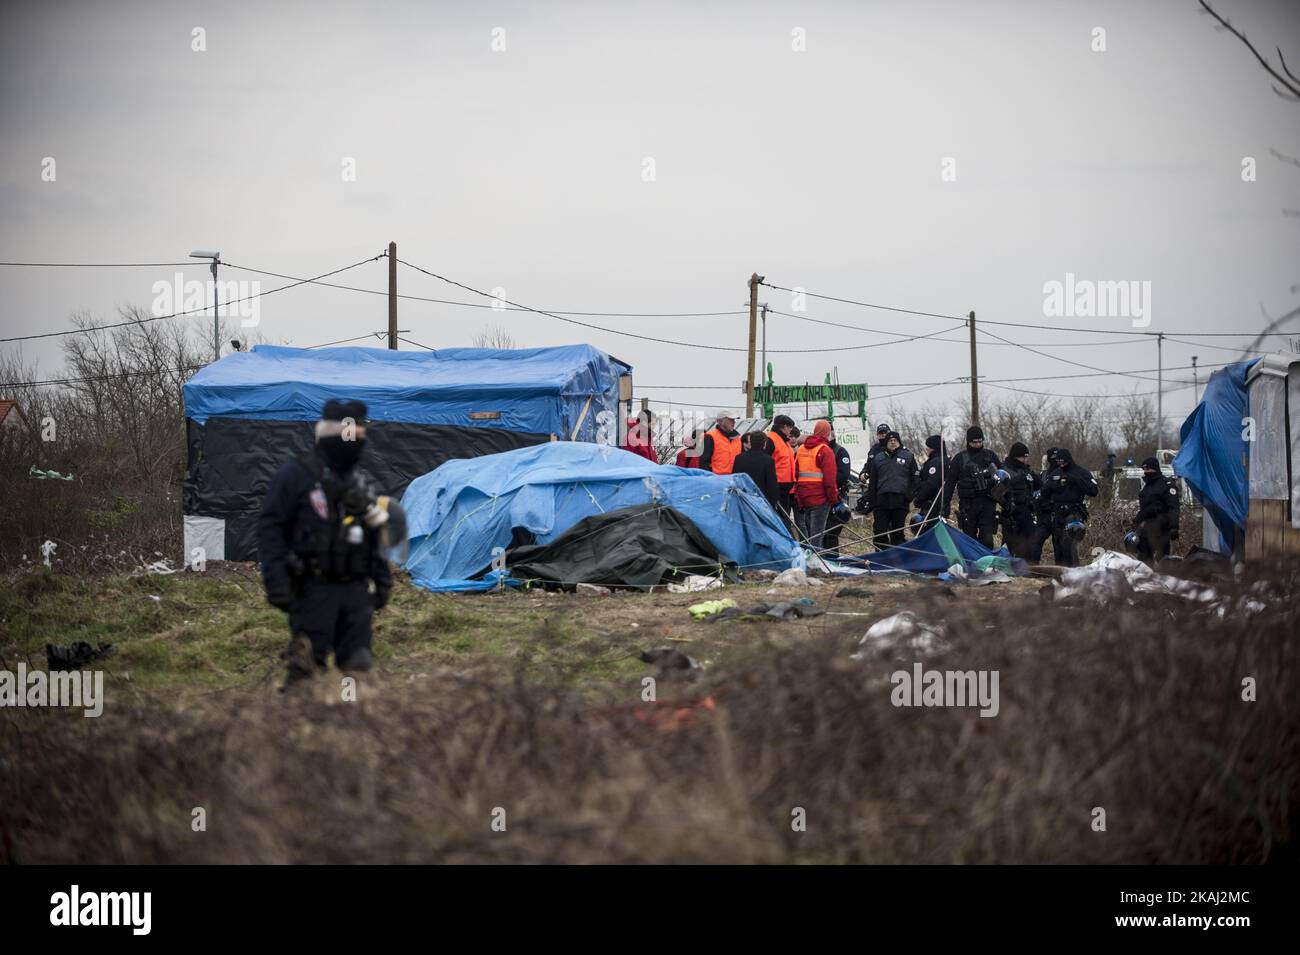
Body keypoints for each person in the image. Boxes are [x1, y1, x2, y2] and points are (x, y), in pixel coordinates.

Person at [258, 399, 396, 687]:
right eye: (350, 436)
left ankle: (349, 724)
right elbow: (271, 530)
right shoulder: (295, 476)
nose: (354, 443)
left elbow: (373, 535)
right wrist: (276, 580)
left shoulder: (359, 483)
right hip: (312, 590)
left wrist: (382, 580)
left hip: (356, 592)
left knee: (357, 670)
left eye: (359, 436)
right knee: (306, 668)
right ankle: (299, 726)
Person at [944, 426, 1003, 548]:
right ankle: (972, 564)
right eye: (974, 442)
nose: (977, 444)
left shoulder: (990, 456)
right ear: (968, 442)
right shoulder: (960, 458)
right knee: (969, 540)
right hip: (968, 505)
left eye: (980, 441)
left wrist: (1005, 500)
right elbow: (950, 483)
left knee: (987, 539)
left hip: (988, 503)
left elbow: (1003, 477)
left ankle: (986, 564)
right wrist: (945, 504)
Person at [1039, 447, 1099, 567]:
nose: (1061, 464)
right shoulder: (1055, 474)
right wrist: (1052, 486)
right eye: (1058, 462)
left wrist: (1076, 480)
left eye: (1063, 462)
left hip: (1074, 512)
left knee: (1069, 543)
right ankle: (1061, 573)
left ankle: (1073, 571)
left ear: (1068, 460)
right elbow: (1044, 493)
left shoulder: (1081, 472)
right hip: (1057, 513)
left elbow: (1094, 490)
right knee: (1058, 544)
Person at [866, 430, 917, 548]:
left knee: (897, 533)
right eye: (890, 440)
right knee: (880, 532)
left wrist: (909, 496)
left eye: (895, 440)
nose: (893, 442)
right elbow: (873, 481)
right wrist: (872, 500)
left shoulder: (908, 456)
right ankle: (881, 558)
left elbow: (915, 478)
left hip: (900, 500)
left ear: (899, 442)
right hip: (882, 500)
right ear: (886, 443)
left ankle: (898, 560)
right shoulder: (879, 458)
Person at [793, 419, 838, 551]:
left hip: (805, 498)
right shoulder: (825, 451)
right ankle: (815, 567)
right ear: (827, 433)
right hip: (821, 499)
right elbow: (830, 481)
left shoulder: (800, 449)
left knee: (808, 534)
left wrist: (799, 497)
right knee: (817, 536)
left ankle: (809, 561)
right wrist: (834, 499)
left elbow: (795, 475)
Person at [1000, 441, 1044, 560]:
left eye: (1026, 457)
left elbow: (1039, 484)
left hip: (1026, 510)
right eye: (1022, 457)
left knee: (1030, 540)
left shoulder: (1025, 469)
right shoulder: (1005, 468)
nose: (1025, 460)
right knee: (1011, 542)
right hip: (1011, 511)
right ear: (1015, 456)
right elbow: (1000, 489)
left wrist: (1030, 474)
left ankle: (1027, 566)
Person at [1134, 456, 1180, 565]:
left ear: (1154, 468)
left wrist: (1174, 527)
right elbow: (1145, 509)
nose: (1145, 472)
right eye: (1144, 469)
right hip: (1145, 530)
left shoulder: (1166, 485)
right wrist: (1136, 522)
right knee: (1144, 562)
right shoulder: (1147, 487)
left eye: (1147, 469)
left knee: (1163, 562)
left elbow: (1173, 507)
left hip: (1162, 529)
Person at [820, 421, 855, 556]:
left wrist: (827, 484)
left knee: (831, 531)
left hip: (836, 496)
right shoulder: (816, 450)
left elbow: (843, 474)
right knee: (819, 531)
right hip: (819, 496)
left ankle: (832, 557)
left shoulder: (840, 452)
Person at [911, 435, 949, 535]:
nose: (926, 449)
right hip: (942, 504)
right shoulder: (945, 460)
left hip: (933, 506)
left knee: (930, 535)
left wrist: (919, 498)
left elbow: (932, 485)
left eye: (928, 447)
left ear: (934, 448)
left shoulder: (937, 462)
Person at [733, 431, 780, 510]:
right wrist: (773, 501)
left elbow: (735, 478)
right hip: (761, 500)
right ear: (764, 443)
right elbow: (771, 484)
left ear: (751, 442)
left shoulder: (739, 458)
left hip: (744, 498)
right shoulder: (768, 460)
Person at [766, 414, 798, 516]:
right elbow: (766, 462)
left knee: (785, 516)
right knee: (780, 517)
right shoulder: (771, 440)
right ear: (784, 427)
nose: (790, 431)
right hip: (777, 485)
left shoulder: (783, 440)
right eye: (790, 428)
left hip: (784, 487)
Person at [700, 410, 741, 475]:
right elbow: (703, 461)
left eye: (734, 420)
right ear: (720, 421)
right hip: (717, 479)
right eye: (730, 419)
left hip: (734, 479)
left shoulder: (737, 438)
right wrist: (710, 478)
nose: (733, 422)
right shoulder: (710, 436)